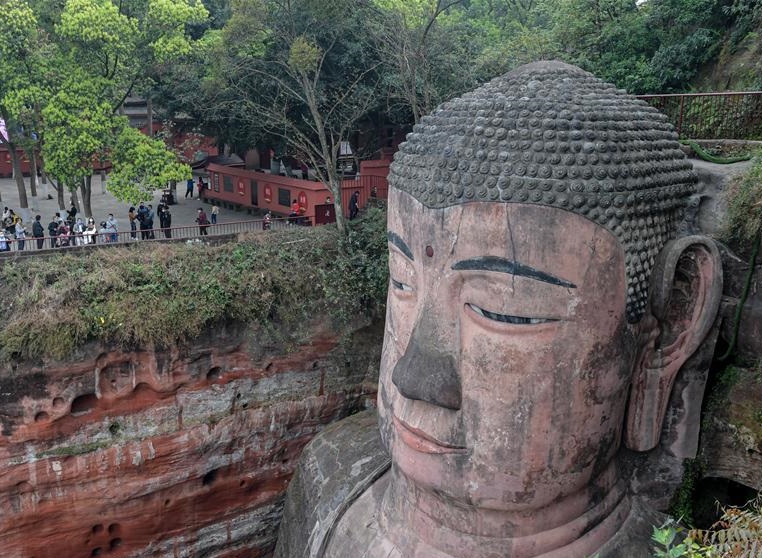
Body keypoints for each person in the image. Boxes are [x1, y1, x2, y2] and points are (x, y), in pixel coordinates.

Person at [273, 61, 725, 558]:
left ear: (671, 326)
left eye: (503, 311)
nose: (412, 376)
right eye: (401, 281)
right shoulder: (328, 479)